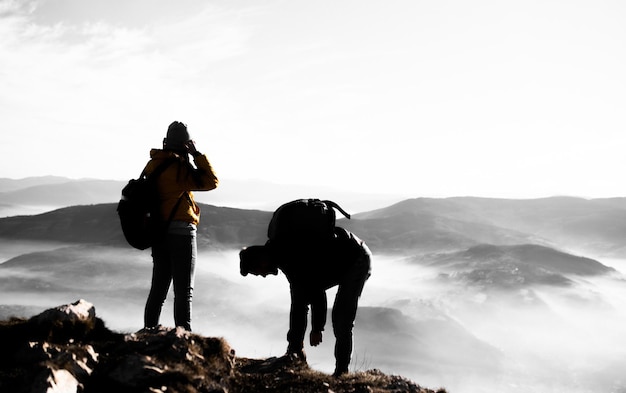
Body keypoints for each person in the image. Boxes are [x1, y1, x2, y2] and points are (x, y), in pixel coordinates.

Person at [239, 227, 372, 377]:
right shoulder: (283, 255)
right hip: (343, 260)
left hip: (356, 259)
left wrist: (317, 329)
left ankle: (341, 373)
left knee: (342, 320)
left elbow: (317, 292)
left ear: (261, 261)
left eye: (258, 271)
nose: (263, 275)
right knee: (303, 300)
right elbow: (299, 302)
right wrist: (295, 345)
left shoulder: (289, 257)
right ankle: (296, 352)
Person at [143, 121, 218, 331]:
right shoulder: (179, 168)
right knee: (184, 291)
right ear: (186, 144)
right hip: (181, 234)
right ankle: (183, 336)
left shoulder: (153, 165)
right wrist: (196, 154)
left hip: (159, 233)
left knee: (158, 289)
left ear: (166, 142)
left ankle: (149, 331)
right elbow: (211, 181)